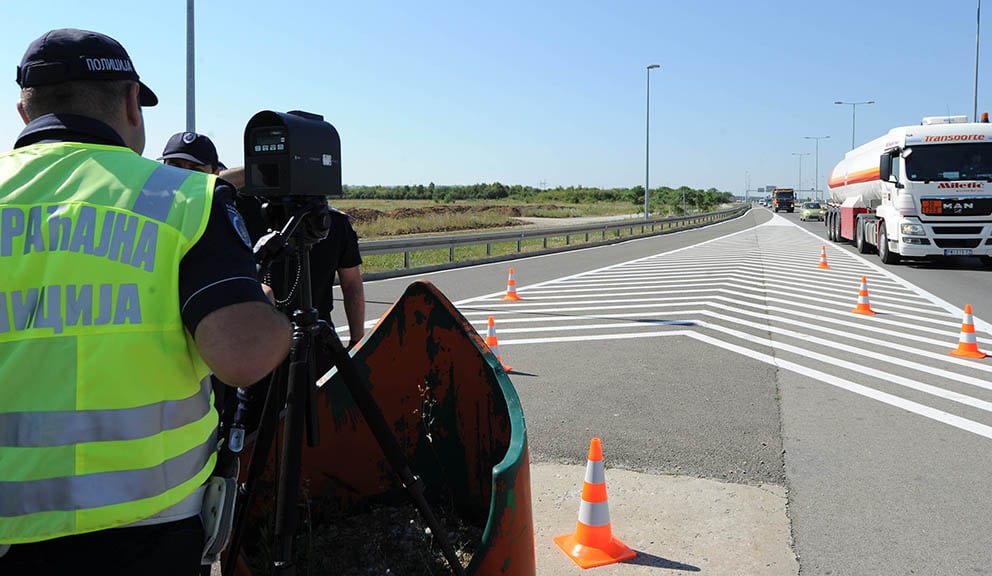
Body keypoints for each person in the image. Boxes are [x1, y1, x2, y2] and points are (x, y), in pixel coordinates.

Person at [0, 28, 292, 576]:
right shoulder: (180, 199)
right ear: (132, 102)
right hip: (147, 530)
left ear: (23, 110)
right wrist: (282, 319)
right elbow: (242, 356)